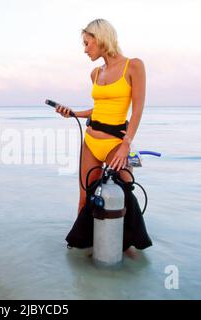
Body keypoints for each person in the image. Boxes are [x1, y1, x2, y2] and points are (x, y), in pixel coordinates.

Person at [56, 19, 146, 217]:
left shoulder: (133, 66)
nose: (85, 50)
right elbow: (99, 109)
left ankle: (128, 246)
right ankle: (81, 246)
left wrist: (125, 145)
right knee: (84, 199)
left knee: (126, 195)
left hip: (116, 142)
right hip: (90, 141)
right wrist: (74, 113)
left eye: (87, 43)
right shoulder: (95, 73)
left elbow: (137, 109)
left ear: (100, 38)